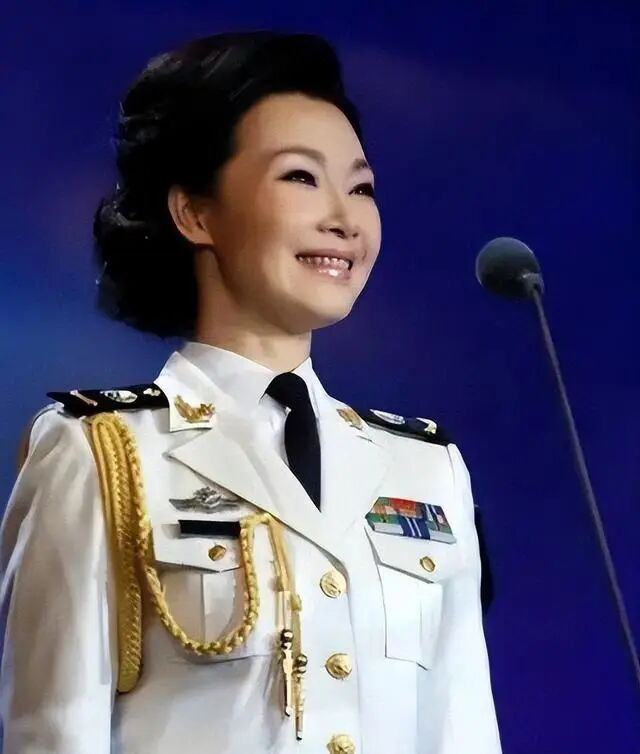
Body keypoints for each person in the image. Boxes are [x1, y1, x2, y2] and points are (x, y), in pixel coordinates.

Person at [0, 30, 502, 754]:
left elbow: (462, 730)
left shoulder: (425, 468)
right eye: (301, 177)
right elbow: (51, 736)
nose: (344, 218)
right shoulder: (101, 455)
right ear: (194, 213)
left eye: (362, 187)